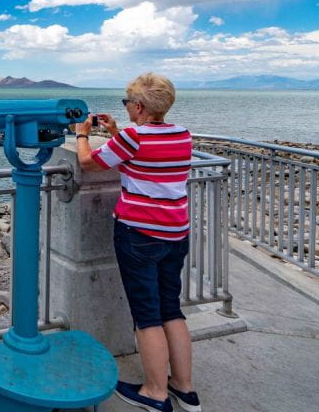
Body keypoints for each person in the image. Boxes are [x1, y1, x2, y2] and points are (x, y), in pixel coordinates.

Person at [74, 72, 201, 412]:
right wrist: (115, 131)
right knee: (170, 310)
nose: (126, 106)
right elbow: (143, 156)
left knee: (147, 316)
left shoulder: (133, 138)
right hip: (175, 234)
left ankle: (155, 393)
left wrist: (83, 134)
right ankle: (184, 388)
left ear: (140, 106)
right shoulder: (182, 134)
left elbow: (87, 162)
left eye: (127, 102)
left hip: (140, 235)